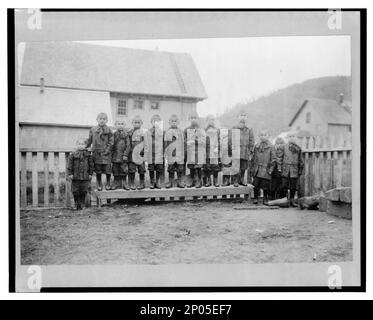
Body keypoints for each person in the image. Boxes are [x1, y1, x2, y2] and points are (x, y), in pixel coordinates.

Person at [86, 112, 114, 191]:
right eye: (100, 119)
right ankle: (99, 183)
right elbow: (90, 140)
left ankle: (108, 183)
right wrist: (85, 147)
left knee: (108, 169)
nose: (102, 121)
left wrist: (107, 150)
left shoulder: (109, 130)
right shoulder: (93, 129)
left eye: (104, 119)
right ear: (97, 120)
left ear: (107, 120)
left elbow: (111, 142)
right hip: (97, 153)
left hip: (106, 153)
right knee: (98, 169)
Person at [278, 131, 304, 207]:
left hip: (294, 170)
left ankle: (292, 200)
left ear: (295, 138)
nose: (291, 138)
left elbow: (301, 161)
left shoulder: (298, 148)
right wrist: (279, 168)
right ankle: (283, 200)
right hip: (285, 169)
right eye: (290, 136)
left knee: (293, 186)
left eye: (293, 136)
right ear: (287, 138)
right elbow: (279, 158)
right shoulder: (283, 147)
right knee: (284, 185)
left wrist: (300, 170)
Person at [67, 138, 94, 210]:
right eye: (79, 144)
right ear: (76, 145)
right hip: (75, 177)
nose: (81, 146)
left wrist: (90, 174)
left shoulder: (88, 155)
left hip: (85, 177)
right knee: (75, 191)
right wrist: (70, 174)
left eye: (82, 144)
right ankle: (76, 204)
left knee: (84, 191)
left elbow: (91, 165)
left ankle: (82, 204)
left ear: (85, 145)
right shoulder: (73, 154)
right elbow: (70, 165)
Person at [251, 129, 276, 205]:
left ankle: (265, 198)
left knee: (265, 186)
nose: (263, 136)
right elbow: (253, 158)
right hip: (257, 169)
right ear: (259, 136)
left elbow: (273, 159)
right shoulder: (257, 146)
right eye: (261, 135)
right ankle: (256, 198)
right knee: (255, 184)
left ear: (268, 136)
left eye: (265, 135)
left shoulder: (271, 147)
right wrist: (253, 169)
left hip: (266, 169)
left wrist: (270, 170)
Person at [231, 111, 255, 187]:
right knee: (236, 167)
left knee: (243, 167)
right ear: (238, 117)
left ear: (247, 118)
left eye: (244, 115)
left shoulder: (249, 129)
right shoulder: (234, 128)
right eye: (241, 115)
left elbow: (252, 140)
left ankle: (241, 180)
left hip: (245, 151)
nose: (243, 117)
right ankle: (235, 181)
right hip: (236, 151)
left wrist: (250, 150)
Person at [184, 112, 205, 188]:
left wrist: (195, 141)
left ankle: (199, 181)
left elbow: (203, 140)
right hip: (191, 152)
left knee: (199, 167)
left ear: (197, 119)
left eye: (195, 118)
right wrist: (187, 142)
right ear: (189, 119)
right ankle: (192, 180)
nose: (193, 119)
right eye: (192, 118)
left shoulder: (201, 129)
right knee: (191, 167)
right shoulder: (187, 129)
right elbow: (184, 139)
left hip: (199, 151)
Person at [164, 114, 185, 188]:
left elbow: (183, 143)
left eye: (175, 121)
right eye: (172, 121)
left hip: (179, 154)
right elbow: (166, 144)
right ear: (169, 122)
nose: (174, 122)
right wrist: (166, 154)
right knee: (171, 169)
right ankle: (170, 182)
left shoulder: (180, 132)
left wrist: (182, 154)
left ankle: (179, 182)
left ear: (178, 122)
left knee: (180, 169)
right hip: (171, 154)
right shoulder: (167, 132)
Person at [128, 115, 146, 190]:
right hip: (132, 154)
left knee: (141, 169)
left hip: (140, 154)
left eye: (138, 122)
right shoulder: (130, 132)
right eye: (135, 122)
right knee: (132, 169)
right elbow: (127, 143)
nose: (137, 124)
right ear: (132, 123)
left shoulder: (144, 132)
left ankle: (142, 183)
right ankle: (132, 183)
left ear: (141, 123)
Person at [111, 120, 130, 190]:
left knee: (123, 170)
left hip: (123, 156)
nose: (120, 125)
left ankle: (124, 183)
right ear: (115, 125)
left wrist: (125, 154)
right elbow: (111, 144)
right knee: (115, 170)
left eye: (122, 124)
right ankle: (116, 183)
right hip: (115, 156)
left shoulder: (126, 134)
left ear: (124, 125)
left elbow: (128, 145)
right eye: (118, 124)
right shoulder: (113, 134)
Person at [147, 114, 164, 189]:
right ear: (151, 122)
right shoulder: (149, 132)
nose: (155, 123)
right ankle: (152, 182)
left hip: (159, 153)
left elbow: (164, 143)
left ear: (160, 123)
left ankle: (157, 181)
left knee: (159, 168)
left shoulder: (162, 132)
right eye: (154, 121)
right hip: (151, 153)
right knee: (151, 168)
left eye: (157, 121)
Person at [204, 114, 221, 187]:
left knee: (215, 166)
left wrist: (217, 147)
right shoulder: (204, 130)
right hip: (207, 151)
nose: (212, 121)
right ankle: (208, 180)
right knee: (207, 166)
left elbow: (220, 140)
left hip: (215, 151)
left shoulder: (217, 130)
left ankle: (215, 180)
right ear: (207, 121)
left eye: (213, 119)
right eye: (210, 120)